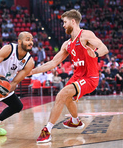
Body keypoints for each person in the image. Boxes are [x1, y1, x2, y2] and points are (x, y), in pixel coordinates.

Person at [29, 9, 109, 143]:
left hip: (90, 78)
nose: (63, 25)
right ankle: (75, 121)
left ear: (73, 21)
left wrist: (95, 54)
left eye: (65, 22)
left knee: (61, 94)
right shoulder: (67, 44)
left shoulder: (85, 35)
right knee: (67, 99)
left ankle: (47, 130)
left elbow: (104, 48)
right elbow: (53, 62)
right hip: (77, 76)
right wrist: (31, 72)